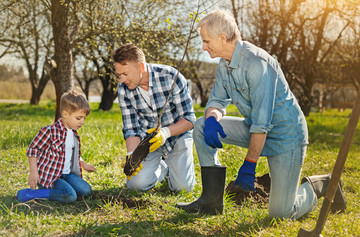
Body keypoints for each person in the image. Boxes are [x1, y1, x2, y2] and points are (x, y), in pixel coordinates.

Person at [176, 10, 346, 218]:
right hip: (256, 128)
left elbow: (262, 123)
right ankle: (211, 201)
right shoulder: (224, 63)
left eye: (206, 41)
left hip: (286, 137)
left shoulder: (257, 63)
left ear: (222, 38)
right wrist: (212, 117)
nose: (203, 47)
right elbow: (218, 101)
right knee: (202, 126)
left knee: (282, 214)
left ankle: (321, 185)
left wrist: (249, 165)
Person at [112, 43, 196, 192]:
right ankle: (162, 169)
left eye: (125, 74)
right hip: (148, 142)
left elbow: (189, 119)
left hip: (177, 137)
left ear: (141, 67)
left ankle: (174, 168)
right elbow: (131, 129)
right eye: (119, 75)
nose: (122, 80)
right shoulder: (124, 90)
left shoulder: (171, 77)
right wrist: (133, 156)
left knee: (183, 188)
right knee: (136, 186)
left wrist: (165, 133)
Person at [17, 89, 96, 203]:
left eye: (84, 118)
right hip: (51, 176)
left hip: (66, 174)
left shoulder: (74, 134)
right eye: (78, 118)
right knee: (70, 196)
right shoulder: (50, 131)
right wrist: (33, 172)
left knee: (86, 190)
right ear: (65, 114)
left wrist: (83, 164)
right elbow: (32, 150)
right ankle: (31, 194)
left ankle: (62, 188)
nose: (82, 122)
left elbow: (71, 154)